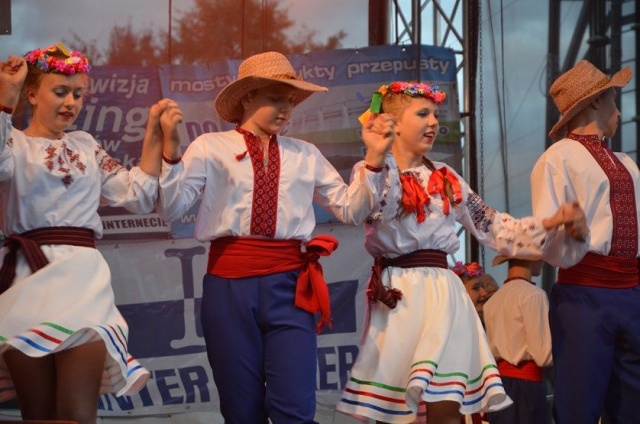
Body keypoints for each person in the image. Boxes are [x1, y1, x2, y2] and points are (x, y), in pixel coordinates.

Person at [156, 51, 394, 423]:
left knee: (295, 408)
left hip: (291, 286)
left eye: (291, 101)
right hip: (229, 286)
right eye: (275, 98)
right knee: (241, 409)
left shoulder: (305, 154)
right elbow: (172, 208)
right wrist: (171, 154)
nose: (286, 109)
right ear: (247, 98)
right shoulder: (210, 146)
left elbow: (351, 210)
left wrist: (375, 159)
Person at [335, 81, 588, 424]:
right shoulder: (373, 171)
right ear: (393, 123)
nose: (433, 122)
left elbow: (492, 226)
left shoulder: (446, 177)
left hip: (444, 293)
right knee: (395, 410)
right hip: (401, 294)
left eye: (435, 115)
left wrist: (551, 222)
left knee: (447, 407)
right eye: (422, 114)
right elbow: (369, 211)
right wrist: (377, 159)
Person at [0, 43, 182, 423]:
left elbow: (137, 195)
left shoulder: (86, 145)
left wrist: (154, 134)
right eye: (60, 91)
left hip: (84, 283)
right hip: (29, 280)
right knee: (39, 414)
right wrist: (6, 98)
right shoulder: (13, 143)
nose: (71, 102)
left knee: (78, 414)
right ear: (31, 94)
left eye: (78, 94)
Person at [530, 59, 639, 424]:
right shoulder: (556, 159)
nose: (618, 111)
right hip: (585, 293)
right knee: (580, 403)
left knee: (633, 404)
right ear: (594, 102)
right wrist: (568, 233)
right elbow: (546, 234)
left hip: (632, 291)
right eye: (612, 99)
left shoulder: (627, 163)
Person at [483, 256, 552, 424]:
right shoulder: (533, 295)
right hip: (525, 386)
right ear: (531, 258)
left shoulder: (493, 300)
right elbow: (543, 356)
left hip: (498, 384)